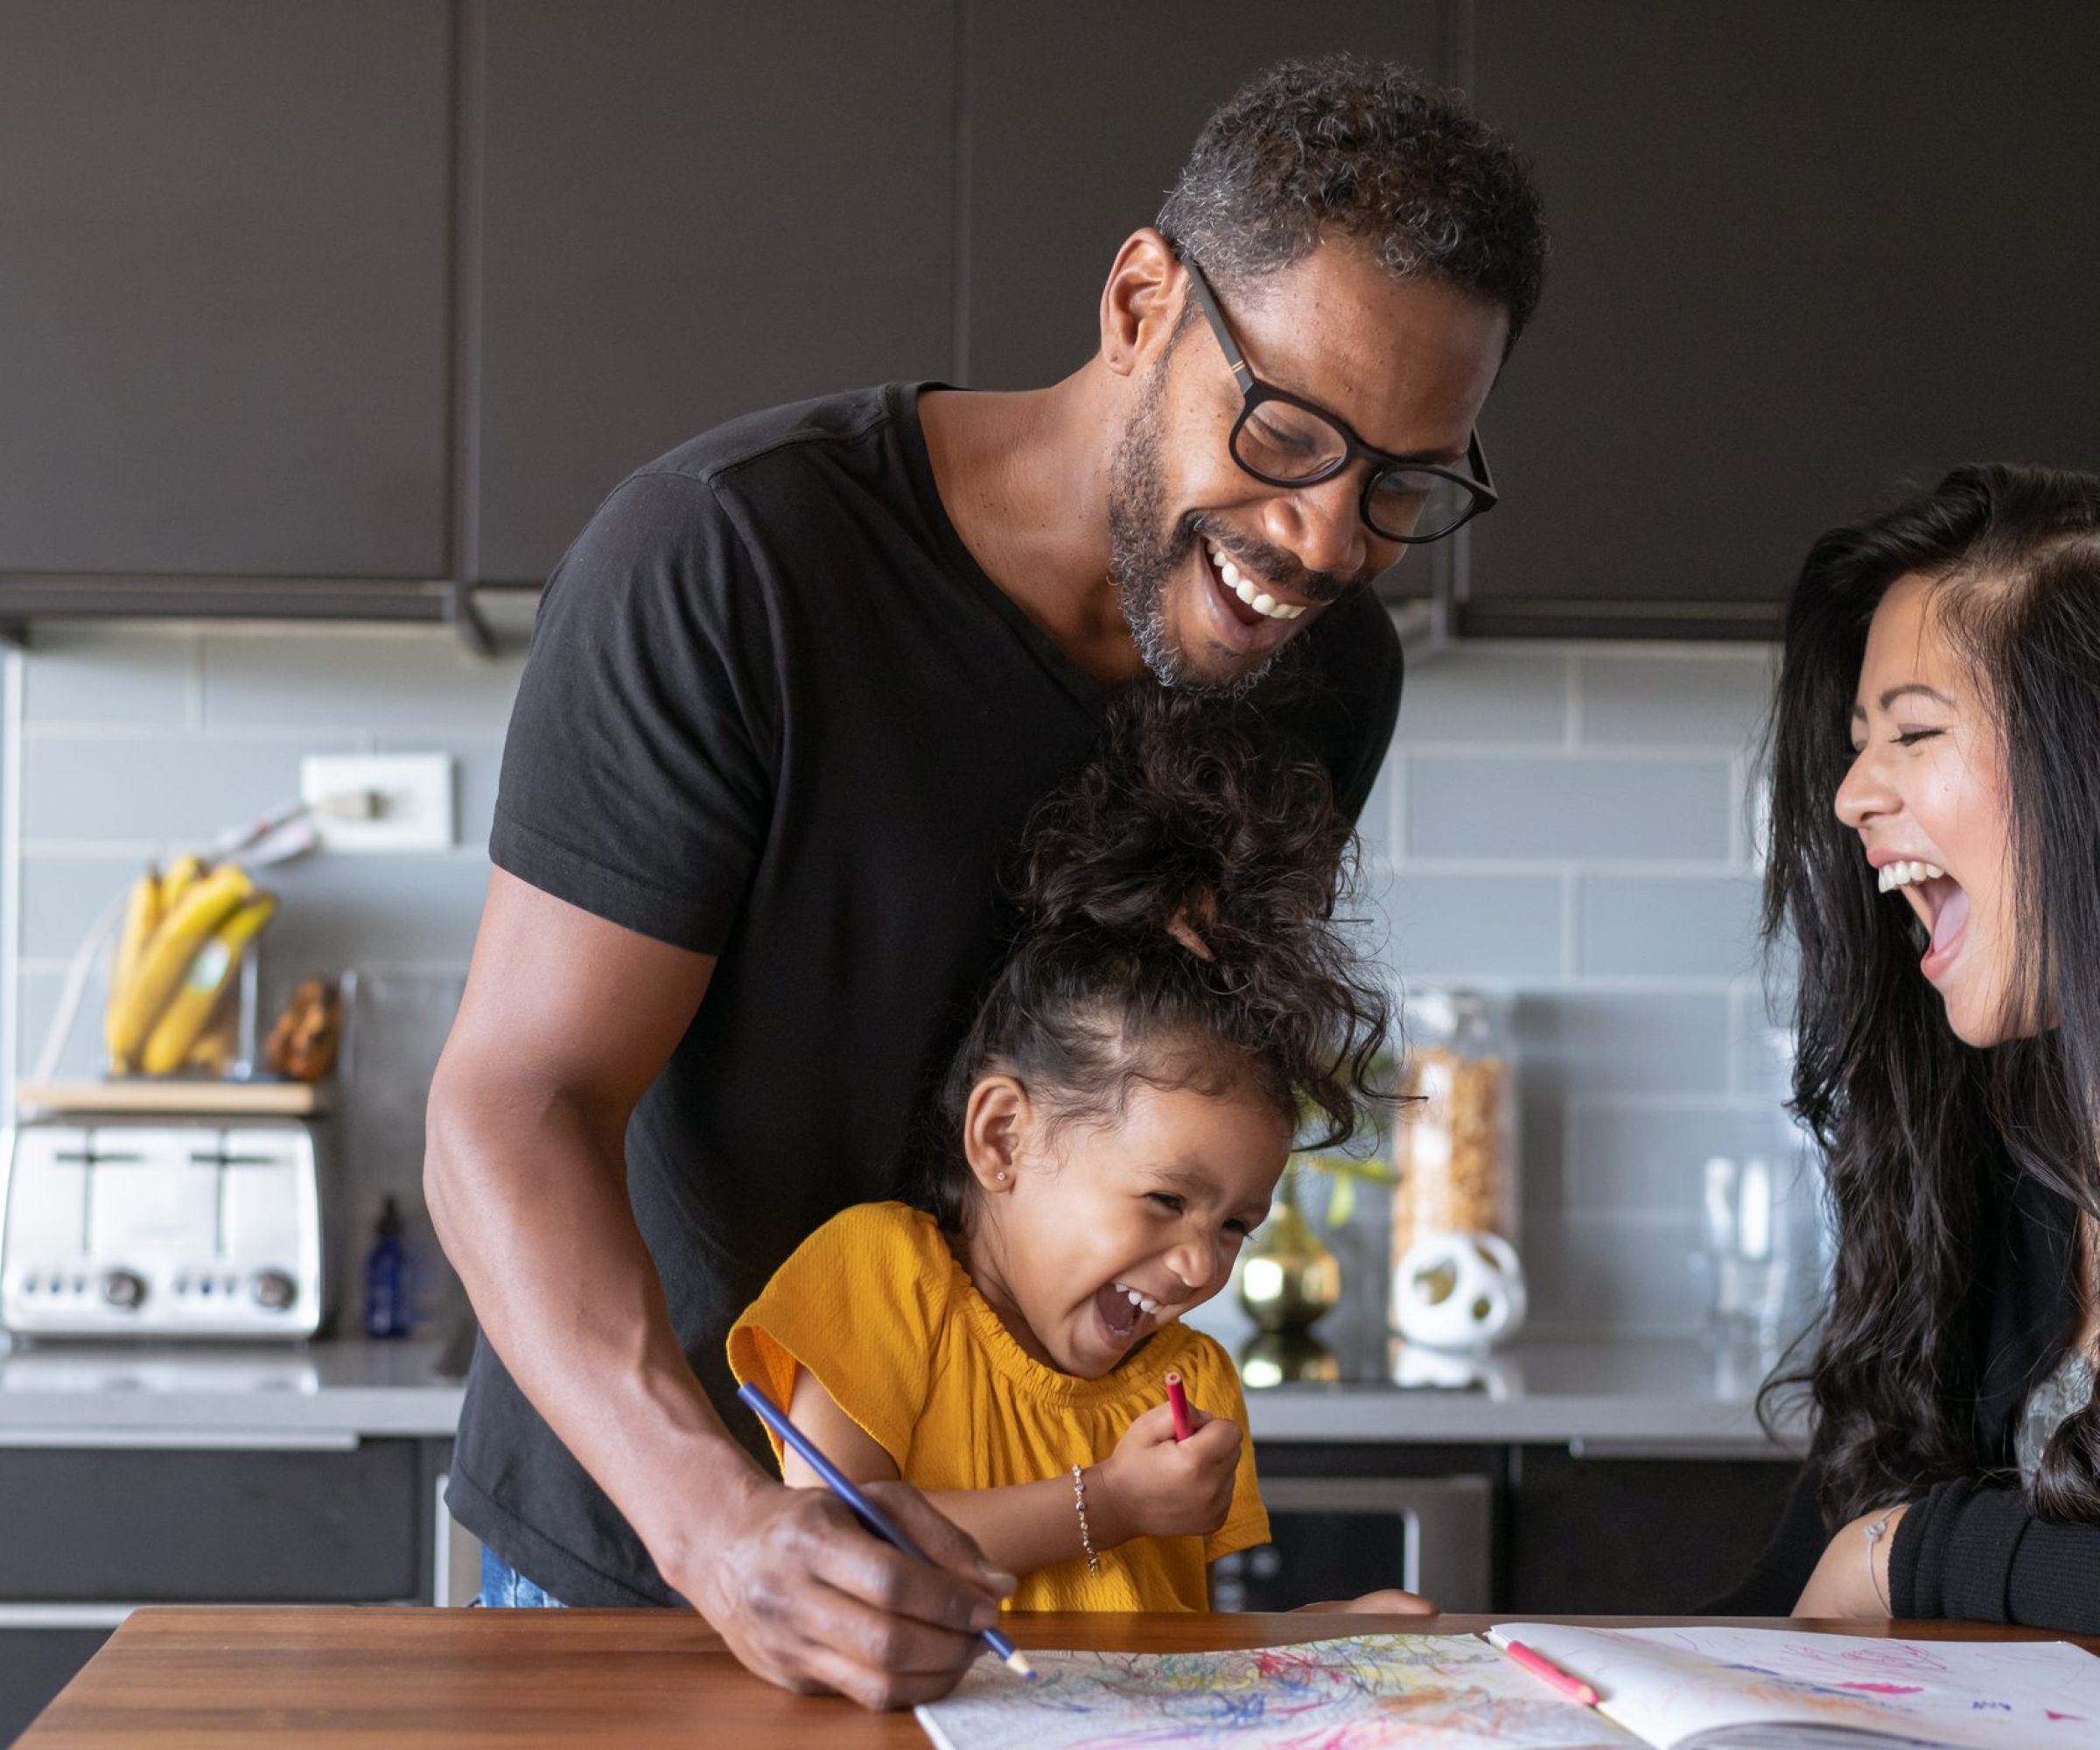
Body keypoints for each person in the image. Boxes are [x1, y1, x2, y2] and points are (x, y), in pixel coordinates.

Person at [426, 54, 1544, 1709]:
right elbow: (511, 1106)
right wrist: (722, 1526)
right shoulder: (732, 561)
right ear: (1140, 301)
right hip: (661, 1564)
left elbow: (1165, 1087)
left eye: (1404, 483)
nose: (1329, 541)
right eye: (1289, 430)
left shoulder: (1326, 678)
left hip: (1050, 1613)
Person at [728, 689, 1417, 1613]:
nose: (1200, 1264)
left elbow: (1181, 1645)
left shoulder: (1190, 1382)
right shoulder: (881, 1279)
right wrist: (1111, 1501)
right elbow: (838, 1548)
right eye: (1169, 1200)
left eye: (1237, 1225)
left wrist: (1324, 1635)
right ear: (1003, 1136)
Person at [1715, 464, 2100, 1631]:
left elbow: (1869, 1561)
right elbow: (1794, 1602)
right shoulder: (1993, 1171)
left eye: (1915, 731)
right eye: (1856, 742)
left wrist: (1911, 1556)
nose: (1850, 796)